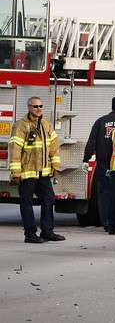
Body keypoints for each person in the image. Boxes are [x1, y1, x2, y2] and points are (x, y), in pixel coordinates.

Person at [9, 96, 65, 243]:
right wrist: (16, 172)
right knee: (26, 202)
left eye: (41, 106)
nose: (39, 108)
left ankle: (47, 231)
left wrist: (55, 165)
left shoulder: (46, 124)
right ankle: (30, 234)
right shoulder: (21, 125)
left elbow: (54, 146)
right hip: (27, 172)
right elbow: (15, 149)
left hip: (43, 172)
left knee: (49, 199)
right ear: (29, 107)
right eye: (35, 106)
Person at [82, 95, 115, 230]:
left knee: (105, 194)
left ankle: (107, 222)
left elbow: (91, 142)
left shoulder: (101, 121)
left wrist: (86, 159)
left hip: (103, 165)